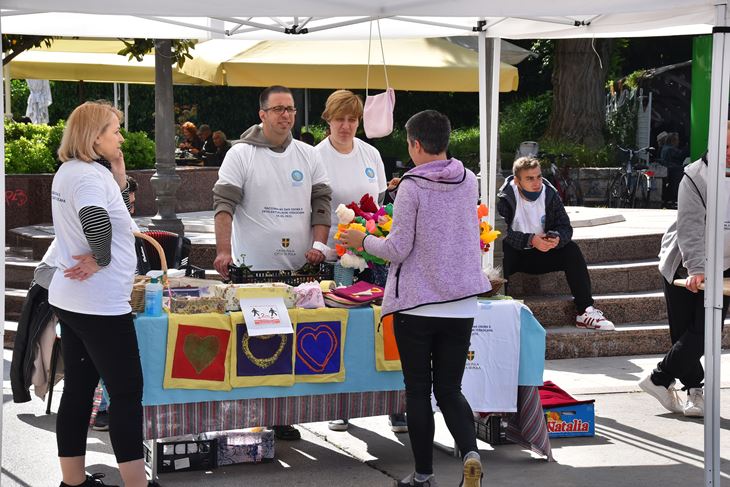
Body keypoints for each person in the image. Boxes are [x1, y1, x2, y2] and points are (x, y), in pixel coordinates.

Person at [339, 110, 488, 487]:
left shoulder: (413, 185)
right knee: (450, 388)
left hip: (417, 304)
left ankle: (423, 475)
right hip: (461, 302)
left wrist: (362, 241)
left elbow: (397, 248)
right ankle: (470, 453)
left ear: (416, 145)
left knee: (419, 391)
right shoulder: (469, 180)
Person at [213, 85, 332, 441]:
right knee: (260, 343)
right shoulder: (240, 155)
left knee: (292, 343)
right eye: (278, 109)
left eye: (291, 109)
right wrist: (223, 251)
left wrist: (319, 245)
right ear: (262, 114)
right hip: (255, 270)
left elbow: (322, 203)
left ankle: (282, 416)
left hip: (300, 270)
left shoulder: (309, 155)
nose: (286, 115)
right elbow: (224, 205)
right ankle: (251, 412)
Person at [49, 101, 146, 487]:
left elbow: (112, 215)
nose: (120, 137)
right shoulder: (88, 176)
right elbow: (94, 218)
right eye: (114, 130)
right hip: (99, 303)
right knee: (126, 394)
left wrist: (119, 176)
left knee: (78, 390)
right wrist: (101, 258)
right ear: (94, 137)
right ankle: (137, 484)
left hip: (74, 299)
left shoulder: (73, 171)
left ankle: (73, 482)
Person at [313, 89, 406, 433]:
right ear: (328, 119)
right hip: (337, 257)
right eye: (340, 119)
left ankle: (396, 405)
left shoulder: (371, 153)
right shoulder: (315, 156)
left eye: (353, 119)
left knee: (385, 325)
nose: (346, 126)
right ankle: (344, 404)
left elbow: (380, 204)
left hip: (374, 252)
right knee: (345, 330)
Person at [639, 124, 730, 417]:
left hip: (724, 263)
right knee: (686, 332)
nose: (728, 154)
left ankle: (659, 379)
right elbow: (690, 227)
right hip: (684, 262)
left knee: (706, 330)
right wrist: (697, 268)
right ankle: (694, 391)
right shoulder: (694, 176)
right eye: (725, 147)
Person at [497, 157, 615, 331]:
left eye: (538, 176)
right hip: (515, 253)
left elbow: (565, 227)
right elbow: (501, 233)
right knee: (501, 250)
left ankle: (585, 311)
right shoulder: (505, 197)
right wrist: (530, 240)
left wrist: (557, 237)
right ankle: (500, 312)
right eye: (529, 178)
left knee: (571, 250)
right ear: (517, 180)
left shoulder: (550, 194)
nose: (536, 182)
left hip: (543, 251)